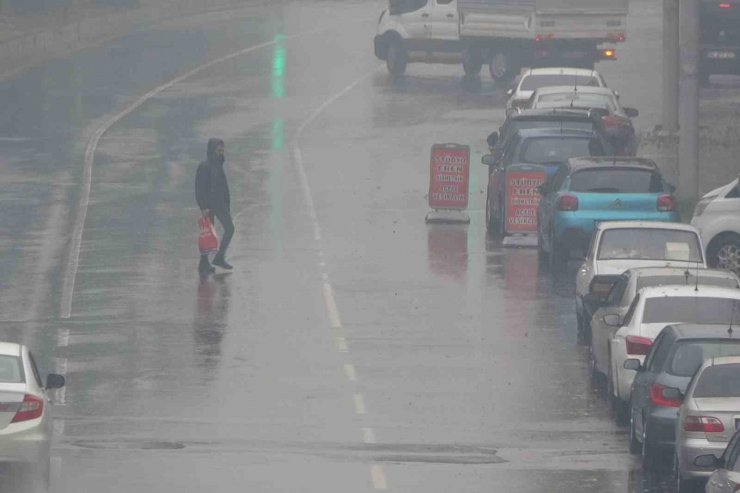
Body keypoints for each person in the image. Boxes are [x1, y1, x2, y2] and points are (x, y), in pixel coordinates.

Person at [195, 138, 234, 273]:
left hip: (220, 204)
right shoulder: (204, 167)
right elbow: (199, 189)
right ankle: (203, 263)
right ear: (212, 151)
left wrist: (227, 205)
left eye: (222, 151)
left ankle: (219, 257)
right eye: (218, 150)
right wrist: (203, 207)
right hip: (209, 206)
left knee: (230, 229)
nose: (221, 153)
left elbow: (224, 187)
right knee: (208, 235)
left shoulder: (219, 166)